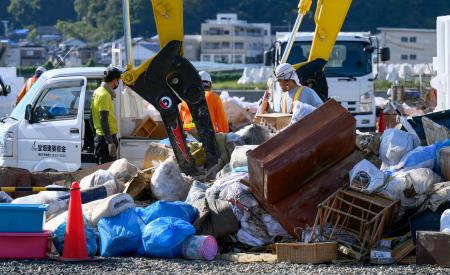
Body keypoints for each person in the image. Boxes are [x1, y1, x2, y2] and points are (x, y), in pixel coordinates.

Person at [91, 66, 122, 164]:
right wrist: (110, 142)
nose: (119, 82)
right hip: (106, 139)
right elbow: (103, 119)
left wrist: (96, 134)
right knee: (107, 170)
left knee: (101, 168)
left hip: (100, 136)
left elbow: (92, 117)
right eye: (119, 80)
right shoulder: (104, 95)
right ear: (114, 80)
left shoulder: (97, 91)